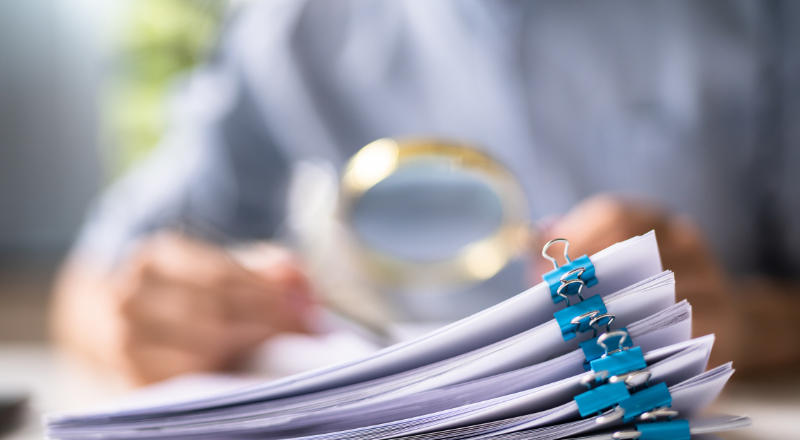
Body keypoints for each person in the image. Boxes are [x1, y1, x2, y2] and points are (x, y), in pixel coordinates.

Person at [51, 0, 800, 385]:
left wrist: (740, 326)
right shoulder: (291, 29)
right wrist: (142, 322)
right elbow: (91, 283)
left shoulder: (757, 17)